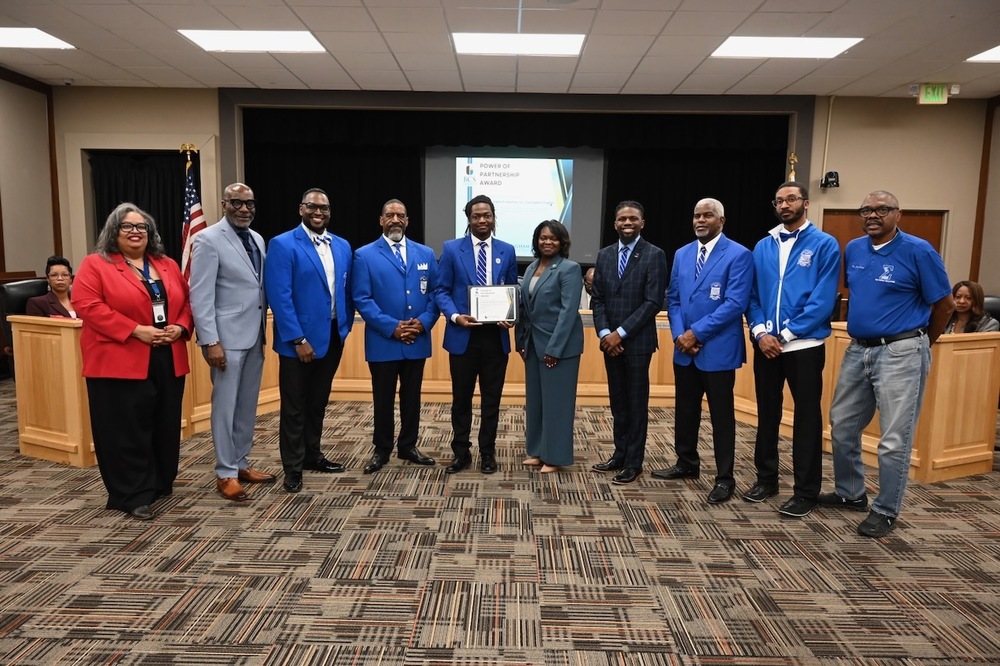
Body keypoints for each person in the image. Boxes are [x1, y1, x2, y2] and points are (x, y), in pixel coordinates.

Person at [820, 190, 954, 537]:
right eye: (866, 209)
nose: (872, 215)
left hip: (901, 352)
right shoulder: (854, 248)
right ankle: (851, 494)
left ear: (898, 214)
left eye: (882, 209)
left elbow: (945, 305)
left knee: (894, 438)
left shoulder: (919, 250)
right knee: (842, 426)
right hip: (857, 350)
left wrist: (921, 343)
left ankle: (886, 509)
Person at [71, 203, 193, 520]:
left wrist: (180, 328)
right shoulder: (95, 264)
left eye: (142, 227)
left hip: (167, 356)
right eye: (128, 226)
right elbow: (87, 305)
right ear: (114, 231)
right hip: (119, 360)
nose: (136, 232)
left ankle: (158, 482)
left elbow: (186, 302)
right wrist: (134, 330)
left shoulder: (166, 264)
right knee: (125, 429)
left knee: (164, 424)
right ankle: (131, 493)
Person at [743, 182, 841, 517]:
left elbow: (823, 300)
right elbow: (751, 295)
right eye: (779, 200)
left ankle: (806, 491)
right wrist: (759, 332)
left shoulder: (825, 244)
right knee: (767, 415)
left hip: (804, 344)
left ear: (806, 203)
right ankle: (766, 479)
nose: (785, 205)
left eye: (791, 199)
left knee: (806, 418)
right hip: (765, 345)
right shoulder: (763, 246)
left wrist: (784, 334)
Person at [655, 198, 753, 504]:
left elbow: (735, 304)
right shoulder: (683, 254)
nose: (700, 220)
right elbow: (672, 299)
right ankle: (686, 464)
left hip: (718, 350)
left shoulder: (739, 255)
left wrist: (695, 333)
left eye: (708, 215)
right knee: (685, 410)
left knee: (722, 416)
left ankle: (725, 478)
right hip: (684, 349)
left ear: (721, 221)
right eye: (696, 215)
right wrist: (679, 335)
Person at [264, 188, 354, 493]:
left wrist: (345, 327)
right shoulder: (283, 244)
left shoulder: (342, 246)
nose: (319, 212)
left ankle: (312, 455)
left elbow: (345, 290)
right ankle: (293, 466)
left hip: (332, 337)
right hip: (298, 342)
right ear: (301, 208)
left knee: (317, 402)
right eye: (313, 206)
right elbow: (279, 296)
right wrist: (297, 338)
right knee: (294, 406)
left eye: (325, 208)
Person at [189, 182, 274, 502]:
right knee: (225, 406)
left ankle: (240, 462)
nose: (244, 209)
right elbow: (200, 295)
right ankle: (225, 473)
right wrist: (210, 340)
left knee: (246, 405)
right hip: (225, 339)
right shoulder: (208, 239)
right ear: (224, 204)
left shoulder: (257, 238)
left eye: (249, 204)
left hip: (254, 336)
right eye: (237, 203)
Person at [352, 199, 439, 475]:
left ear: (407, 220)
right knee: (383, 398)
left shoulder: (425, 253)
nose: (395, 219)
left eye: (400, 215)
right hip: (384, 341)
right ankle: (381, 448)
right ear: (381, 220)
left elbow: (436, 294)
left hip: (417, 339)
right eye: (389, 215)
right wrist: (393, 327)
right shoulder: (364, 255)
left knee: (412, 397)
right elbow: (362, 299)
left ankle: (409, 445)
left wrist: (423, 323)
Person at [434, 194, 518, 474]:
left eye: (487, 215)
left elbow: (511, 291)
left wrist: (510, 315)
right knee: (461, 399)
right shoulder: (451, 248)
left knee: (491, 400)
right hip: (463, 335)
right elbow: (441, 290)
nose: (482, 220)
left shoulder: (507, 250)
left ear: (494, 218)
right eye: (476, 216)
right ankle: (461, 453)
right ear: (468, 219)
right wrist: (455, 316)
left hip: (496, 338)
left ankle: (488, 453)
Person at [590, 201, 668, 485]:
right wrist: (604, 334)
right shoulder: (605, 255)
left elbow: (653, 302)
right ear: (614, 223)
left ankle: (633, 463)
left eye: (633, 218)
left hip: (637, 343)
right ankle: (619, 454)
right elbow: (597, 299)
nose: (627, 223)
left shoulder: (654, 255)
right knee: (618, 403)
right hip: (608, 343)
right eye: (622, 218)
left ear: (642, 223)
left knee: (635, 404)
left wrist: (619, 334)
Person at [516, 220, 584, 473]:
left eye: (553, 238)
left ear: (562, 242)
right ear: (536, 240)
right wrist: (520, 341)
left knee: (557, 404)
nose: (547, 242)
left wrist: (554, 349)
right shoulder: (533, 266)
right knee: (536, 402)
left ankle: (554, 457)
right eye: (543, 237)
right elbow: (525, 308)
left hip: (559, 348)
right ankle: (536, 450)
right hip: (533, 344)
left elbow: (568, 313)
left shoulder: (569, 269)